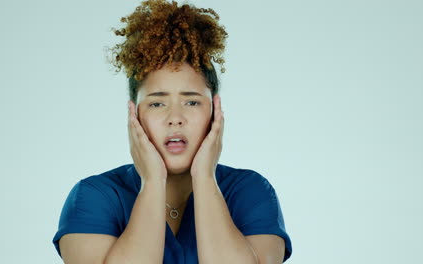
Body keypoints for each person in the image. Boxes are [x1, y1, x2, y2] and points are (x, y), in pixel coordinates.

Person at [52, 0, 292, 263]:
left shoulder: (250, 190)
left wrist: (204, 177)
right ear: (134, 115)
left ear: (214, 111)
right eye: (157, 103)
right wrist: (153, 181)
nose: (175, 118)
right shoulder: (94, 195)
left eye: (191, 102)